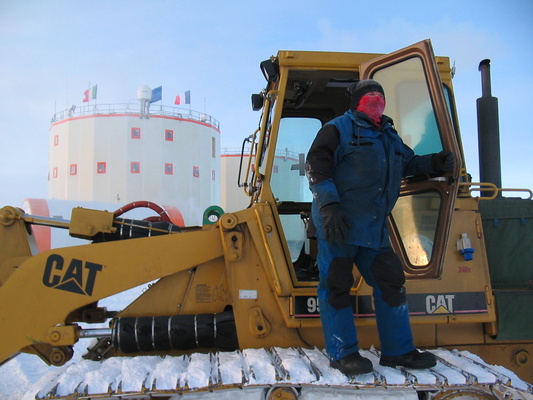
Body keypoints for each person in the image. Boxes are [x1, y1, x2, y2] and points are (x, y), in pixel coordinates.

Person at [305, 79, 454, 375]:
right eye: (368, 94)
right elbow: (316, 166)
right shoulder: (337, 128)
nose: (375, 97)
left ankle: (398, 351)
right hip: (339, 225)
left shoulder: (389, 136)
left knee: (390, 281)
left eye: (379, 94)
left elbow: (408, 164)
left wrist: (435, 162)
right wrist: (330, 206)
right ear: (357, 102)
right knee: (336, 284)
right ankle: (343, 352)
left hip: (373, 227)